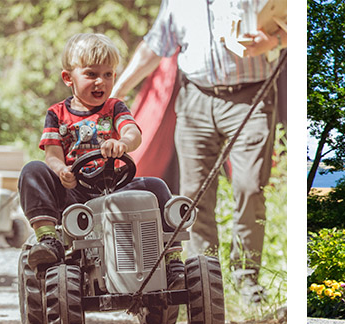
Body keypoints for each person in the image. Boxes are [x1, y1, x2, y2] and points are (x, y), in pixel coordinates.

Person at [111, 0, 285, 304]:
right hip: (194, 98)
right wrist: (117, 93)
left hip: (251, 96)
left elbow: (299, 22)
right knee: (193, 197)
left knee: (248, 186)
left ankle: (246, 281)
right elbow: (154, 47)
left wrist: (275, 40)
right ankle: (206, 281)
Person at [20, 33, 175, 269]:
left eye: (108, 74)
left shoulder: (115, 108)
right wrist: (62, 170)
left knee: (156, 186)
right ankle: (49, 239)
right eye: (91, 74)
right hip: (74, 192)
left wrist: (122, 143)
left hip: (114, 186)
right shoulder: (57, 114)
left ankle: (170, 255)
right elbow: (52, 154)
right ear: (68, 78)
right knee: (33, 170)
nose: (100, 82)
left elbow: (133, 133)